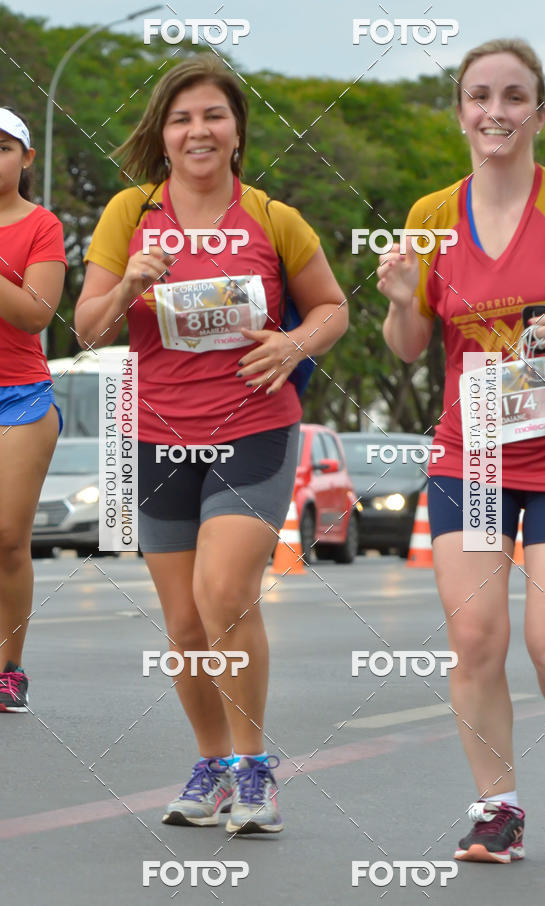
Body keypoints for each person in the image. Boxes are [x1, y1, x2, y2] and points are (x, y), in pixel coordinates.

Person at [75, 58, 347, 834]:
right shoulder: (131, 213)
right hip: (154, 435)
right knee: (186, 626)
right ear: (162, 135)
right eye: (182, 118)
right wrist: (127, 284)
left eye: (213, 117)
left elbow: (332, 307)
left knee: (223, 594)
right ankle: (213, 765)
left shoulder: (272, 216)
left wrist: (295, 343)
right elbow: (87, 328)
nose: (198, 130)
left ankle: (255, 769)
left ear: (237, 132)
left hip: (252, 428)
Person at [378, 38, 545, 862]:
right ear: (461, 111)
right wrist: (402, 301)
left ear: (540, 112)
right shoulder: (432, 216)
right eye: (480, 96)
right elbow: (407, 346)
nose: (495, 111)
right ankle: (496, 808)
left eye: (514, 97)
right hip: (470, 460)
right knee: (475, 641)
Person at [0, 108, 66, 712]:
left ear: (24, 157)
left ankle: (9, 667)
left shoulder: (41, 225)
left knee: (7, 538)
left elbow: (35, 313)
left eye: (1, 147)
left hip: (17, 397)